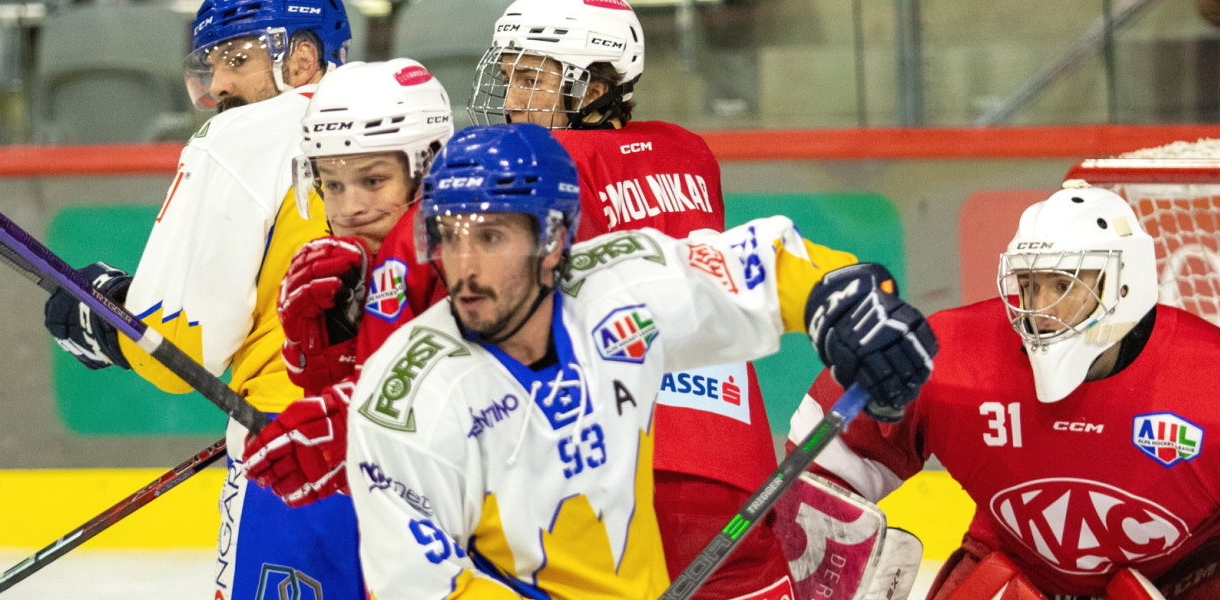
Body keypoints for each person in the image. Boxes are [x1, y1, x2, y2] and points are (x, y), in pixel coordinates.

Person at [345, 122, 937, 599]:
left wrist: (834, 304)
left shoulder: (616, 290)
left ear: (554, 240)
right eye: (448, 237)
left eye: (491, 237)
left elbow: (757, 269)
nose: (463, 266)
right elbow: (421, 586)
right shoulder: (402, 396)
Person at [791, 184, 1220, 600]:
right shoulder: (951, 357)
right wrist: (821, 552)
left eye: (1064, 285)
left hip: (1189, 581)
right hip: (1019, 576)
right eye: (1030, 285)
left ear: (1124, 285)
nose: (1041, 309)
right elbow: (821, 467)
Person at [471, 1, 797, 596]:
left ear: (593, 84)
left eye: (531, 78)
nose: (513, 99)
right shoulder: (690, 151)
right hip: (735, 460)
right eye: (510, 77)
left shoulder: (550, 163)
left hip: (617, 462)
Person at [39, 0, 362, 597]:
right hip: (421, 459)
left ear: (304, 56)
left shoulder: (240, 136)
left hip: (294, 456)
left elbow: (178, 344)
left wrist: (101, 315)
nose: (218, 85)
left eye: (237, 60)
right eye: (211, 64)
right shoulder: (409, 116)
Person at [238, 57, 455, 509]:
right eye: (332, 185)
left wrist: (352, 427)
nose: (348, 208)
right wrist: (331, 346)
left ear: (428, 165)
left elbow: (478, 401)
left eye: (373, 180)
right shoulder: (357, 265)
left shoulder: (465, 252)